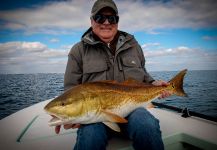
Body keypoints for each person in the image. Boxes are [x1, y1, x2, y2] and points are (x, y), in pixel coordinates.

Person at [55, 0, 170, 149]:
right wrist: (70, 115)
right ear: (91, 20)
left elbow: (144, 75)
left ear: (117, 21)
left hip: (133, 112)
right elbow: (71, 89)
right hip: (95, 118)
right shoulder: (78, 51)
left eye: (112, 18)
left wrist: (154, 84)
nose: (106, 22)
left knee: (147, 125)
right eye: (100, 17)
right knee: (90, 137)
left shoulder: (134, 46)